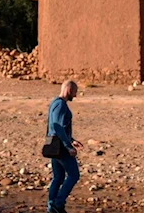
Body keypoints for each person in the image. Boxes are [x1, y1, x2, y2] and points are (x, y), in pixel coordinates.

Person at [47, 80, 84, 213]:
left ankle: (52, 207)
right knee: (74, 175)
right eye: (75, 92)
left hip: (54, 144)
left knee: (58, 177)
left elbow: (57, 127)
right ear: (69, 90)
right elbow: (57, 127)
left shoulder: (54, 103)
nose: (75, 95)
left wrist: (72, 140)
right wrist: (68, 146)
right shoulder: (60, 105)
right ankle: (58, 204)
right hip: (60, 146)